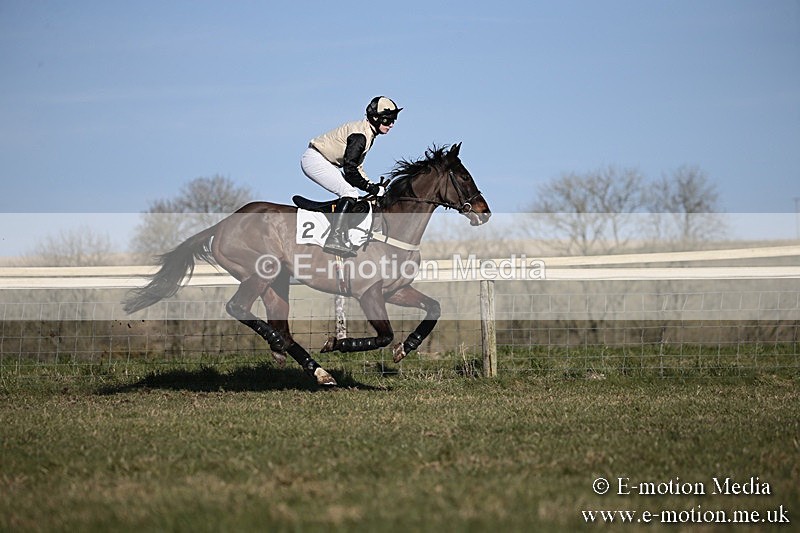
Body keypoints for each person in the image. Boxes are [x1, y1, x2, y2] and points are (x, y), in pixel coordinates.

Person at [301, 96, 402, 257]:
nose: (391, 124)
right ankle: (334, 238)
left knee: (352, 194)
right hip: (316, 159)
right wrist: (372, 188)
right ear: (375, 118)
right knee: (350, 193)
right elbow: (350, 170)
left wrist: (372, 185)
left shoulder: (368, 133)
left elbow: (357, 167)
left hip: (325, 161)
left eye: (393, 120)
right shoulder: (360, 136)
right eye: (387, 120)